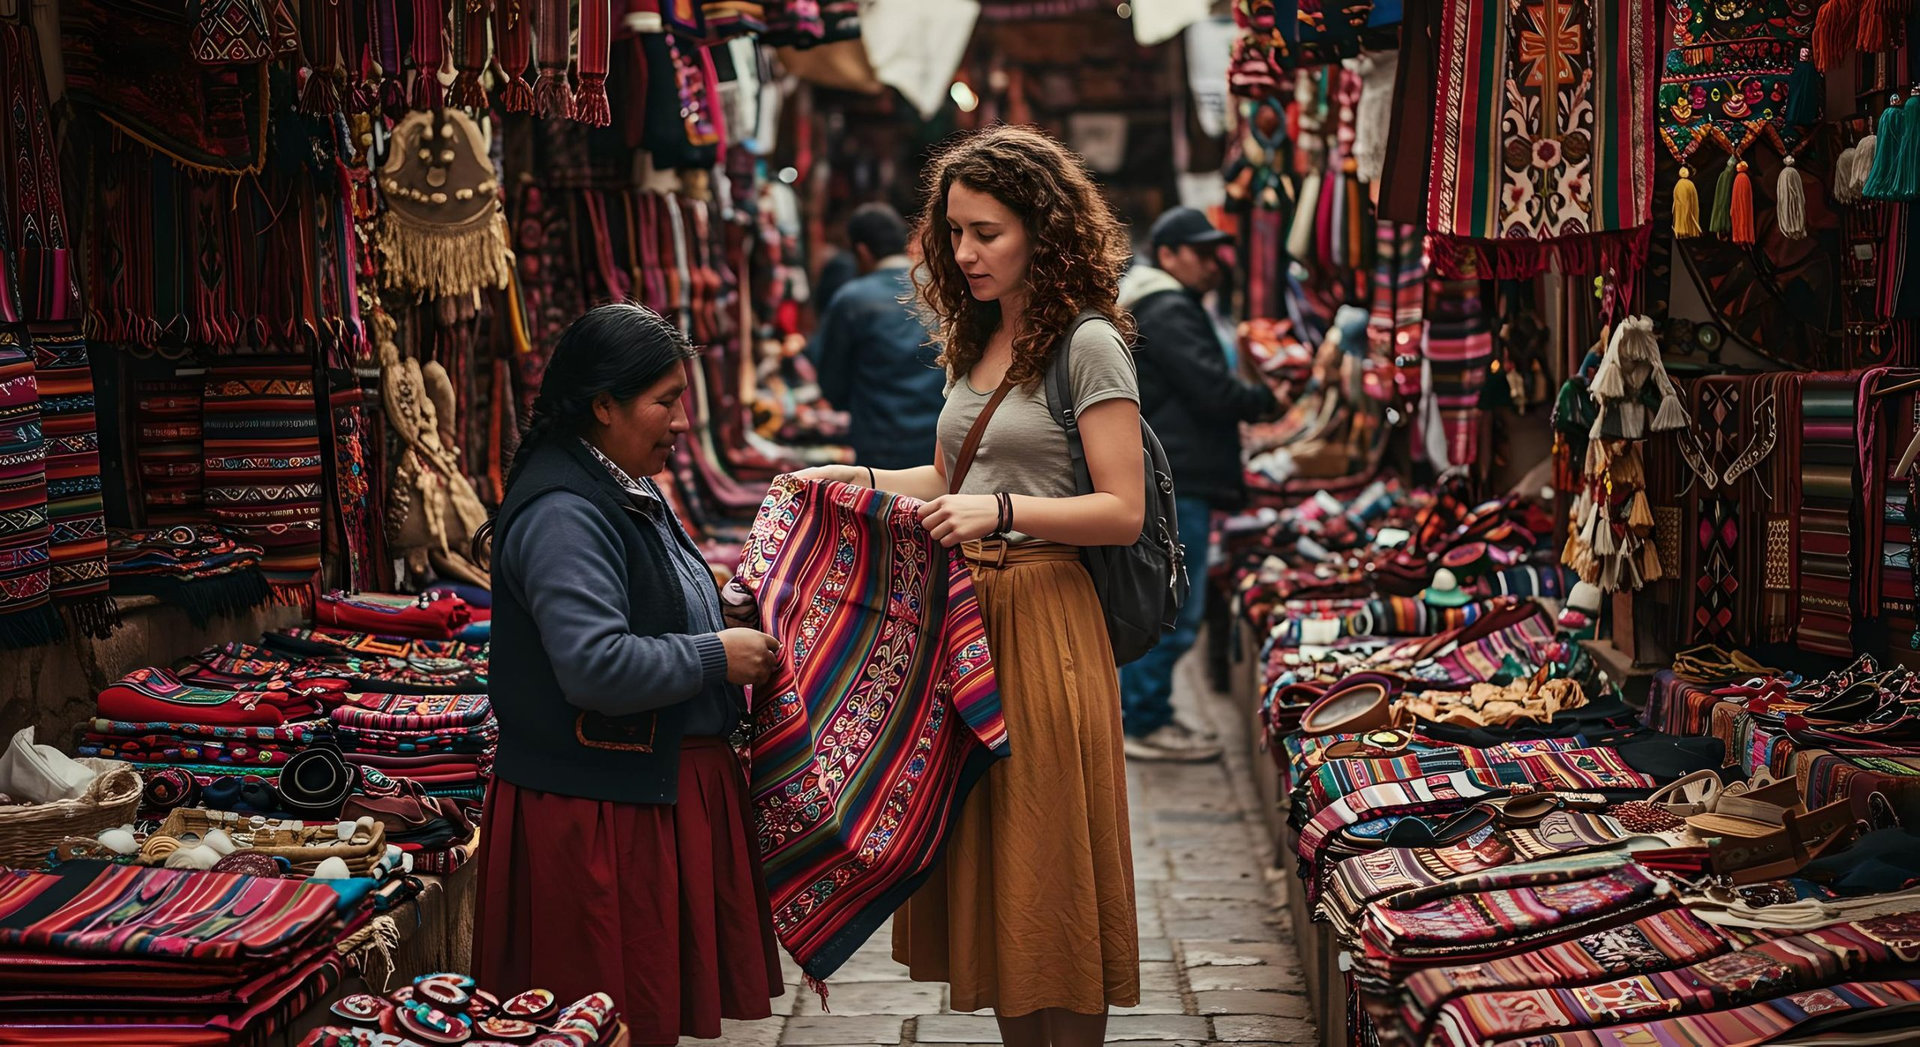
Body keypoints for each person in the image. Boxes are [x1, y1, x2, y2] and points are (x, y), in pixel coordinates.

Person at [796, 125, 1142, 1047]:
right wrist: (851, 480)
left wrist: (1001, 512)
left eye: (986, 231)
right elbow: (950, 479)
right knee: (1001, 870)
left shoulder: (1090, 343)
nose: (964, 252)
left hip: (1046, 619)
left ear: (1043, 227)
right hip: (968, 623)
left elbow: (1121, 509)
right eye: (953, 232)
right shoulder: (976, 337)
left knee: (1050, 863)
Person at [475, 303, 785, 1046]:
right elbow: (594, 664)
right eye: (667, 401)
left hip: (634, 795)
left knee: (639, 1019)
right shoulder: (564, 512)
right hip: (596, 814)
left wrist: (718, 598)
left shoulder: (616, 480)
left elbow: (641, 601)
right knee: (606, 1019)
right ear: (604, 405)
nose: (682, 422)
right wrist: (720, 653)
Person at [1115, 207, 1279, 762]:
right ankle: (1143, 720)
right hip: (1177, 479)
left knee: (1169, 599)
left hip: (1174, 474)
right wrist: (1267, 398)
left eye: (1216, 252)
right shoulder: (1166, 309)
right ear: (1168, 254)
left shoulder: (1159, 304)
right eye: (1202, 253)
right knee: (1174, 606)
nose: (1215, 264)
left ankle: (1144, 712)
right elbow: (1210, 389)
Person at [807, 203, 947, 469]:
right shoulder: (940, 287)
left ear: (861, 251)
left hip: (881, 445)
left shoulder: (852, 299)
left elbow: (832, 381)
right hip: (941, 442)